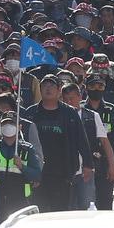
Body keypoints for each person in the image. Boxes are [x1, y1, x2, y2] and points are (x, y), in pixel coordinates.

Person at [24, 74, 94, 212]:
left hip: (63, 173)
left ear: (59, 90)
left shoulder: (70, 113)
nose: (48, 89)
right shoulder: (31, 113)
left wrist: (88, 164)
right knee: (39, 212)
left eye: (52, 86)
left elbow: (81, 139)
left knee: (60, 211)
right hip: (38, 174)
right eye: (45, 85)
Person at [0, 114, 41, 214]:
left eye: (12, 123)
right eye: (5, 123)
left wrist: (22, 167)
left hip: (20, 202)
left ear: (19, 127)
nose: (8, 126)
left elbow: (37, 176)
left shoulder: (27, 149)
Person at [82, 71, 114, 209]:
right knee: (85, 203)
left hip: (106, 161)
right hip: (85, 161)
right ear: (86, 87)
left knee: (105, 202)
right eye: (93, 86)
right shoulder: (80, 109)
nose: (96, 89)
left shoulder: (110, 109)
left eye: (100, 86)